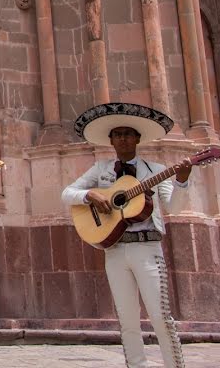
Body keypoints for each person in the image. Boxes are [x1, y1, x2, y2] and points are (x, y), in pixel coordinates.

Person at [62, 102, 191, 368]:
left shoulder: (156, 170)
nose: (122, 138)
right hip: (116, 250)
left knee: (161, 316)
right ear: (111, 140)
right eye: (117, 134)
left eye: (128, 133)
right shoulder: (101, 170)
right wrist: (91, 195)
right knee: (127, 319)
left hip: (147, 248)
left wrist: (182, 180)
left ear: (138, 138)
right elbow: (67, 193)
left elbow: (172, 208)